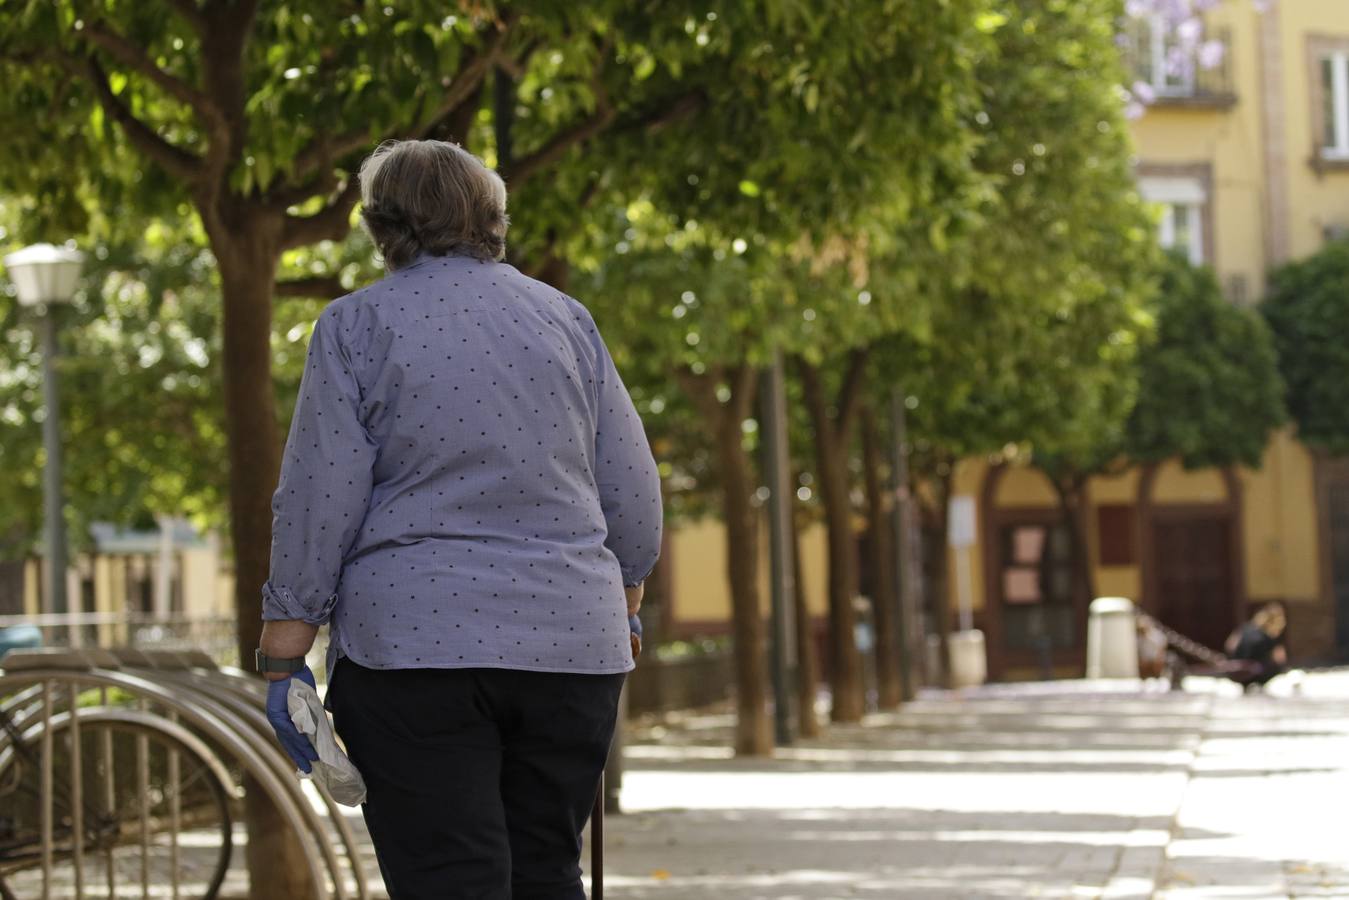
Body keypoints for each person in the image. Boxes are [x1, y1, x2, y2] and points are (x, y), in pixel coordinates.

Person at [256, 139, 662, 899]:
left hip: (412, 653)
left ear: (380, 225)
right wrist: (625, 602)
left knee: (450, 877)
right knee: (546, 868)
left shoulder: (354, 327)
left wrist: (285, 656)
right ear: (493, 219)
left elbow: (320, 497)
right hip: (569, 647)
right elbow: (630, 491)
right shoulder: (567, 320)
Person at [1224, 602, 1288, 692]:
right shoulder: (1269, 637)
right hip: (1256, 676)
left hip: (1235, 672)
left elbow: (1229, 646)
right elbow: (1280, 658)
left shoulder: (1245, 628)